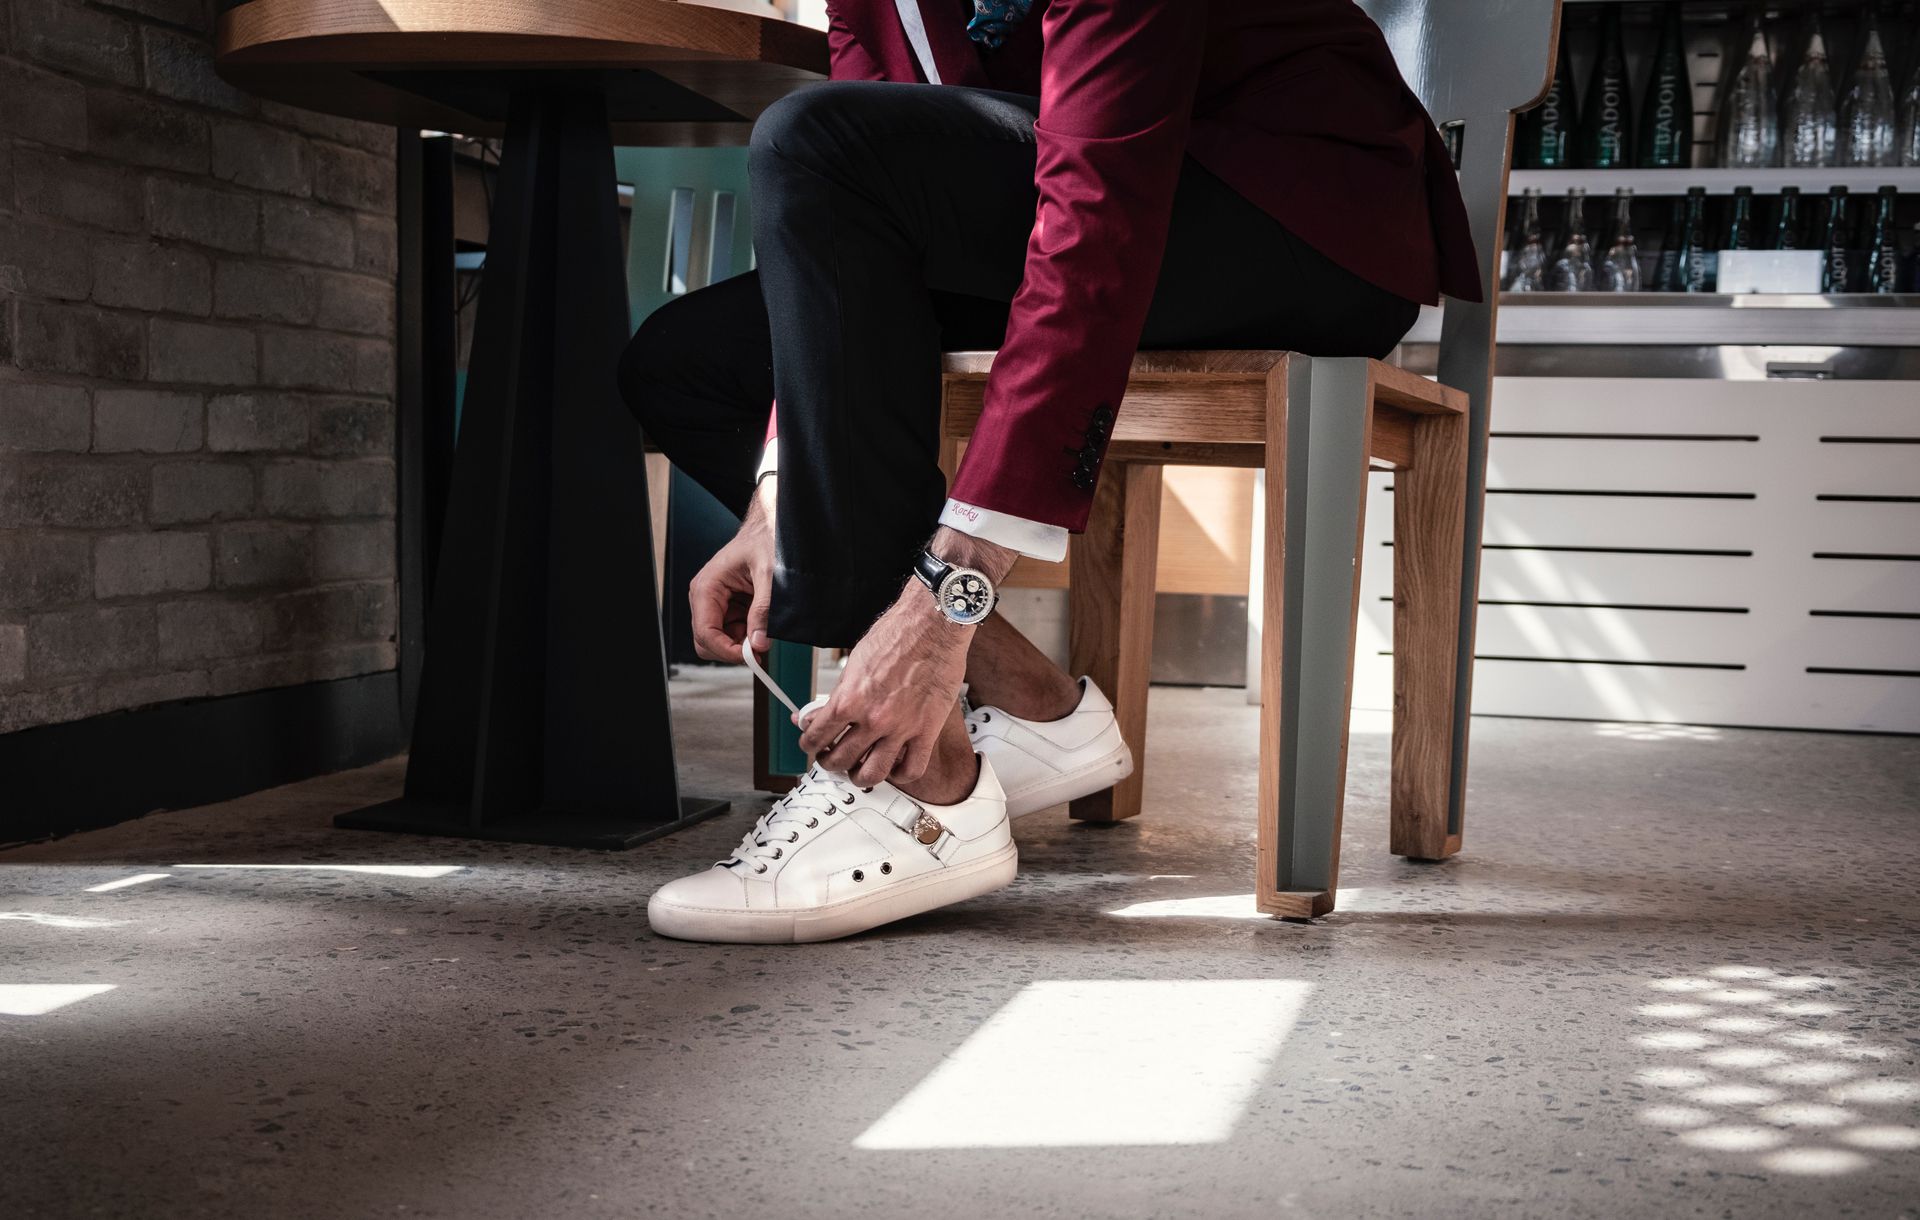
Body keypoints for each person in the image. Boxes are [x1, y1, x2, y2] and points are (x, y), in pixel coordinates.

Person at [618, 0, 1479, 943]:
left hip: (1295, 209)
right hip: (1072, 185)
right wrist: (781, 488)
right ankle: (1036, 708)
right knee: (689, 363)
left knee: (816, 137)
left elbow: (1096, 212)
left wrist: (947, 601)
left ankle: (926, 786)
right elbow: (853, 230)